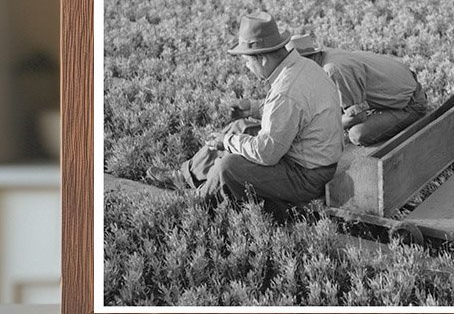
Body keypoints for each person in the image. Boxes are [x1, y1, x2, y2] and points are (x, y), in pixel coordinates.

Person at [146, 12, 343, 210]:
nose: (247, 67)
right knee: (239, 127)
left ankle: (196, 204)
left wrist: (227, 142)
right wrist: (253, 109)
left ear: (262, 58)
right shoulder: (303, 66)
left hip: (306, 176)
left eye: (248, 61)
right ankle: (185, 177)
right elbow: (295, 114)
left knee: (230, 167)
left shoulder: (286, 91)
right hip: (311, 157)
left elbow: (267, 154)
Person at [288, 33, 429, 146]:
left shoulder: (333, 69)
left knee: (356, 134)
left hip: (411, 103)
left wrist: (315, 132)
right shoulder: (326, 56)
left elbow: (357, 117)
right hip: (400, 90)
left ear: (306, 60)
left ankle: (410, 120)